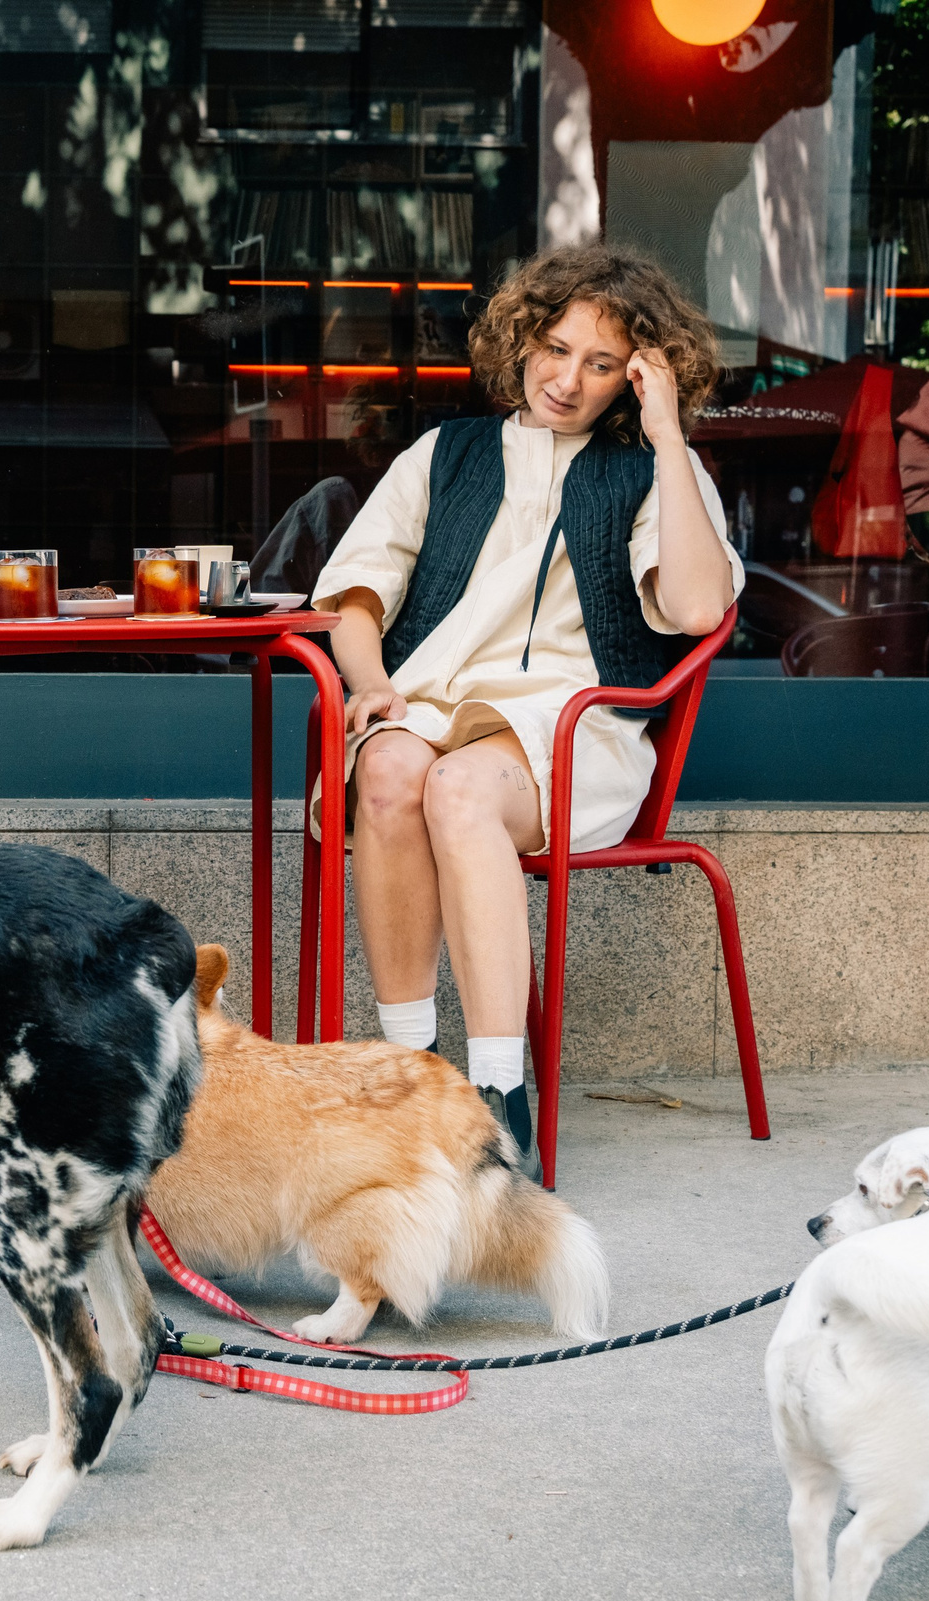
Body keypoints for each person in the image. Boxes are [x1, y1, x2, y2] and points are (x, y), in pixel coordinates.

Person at [307, 245, 743, 1171]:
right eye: (555, 349)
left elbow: (701, 606)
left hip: (575, 730)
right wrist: (371, 683)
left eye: (601, 364)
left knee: (460, 790)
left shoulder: (650, 470)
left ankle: (499, 1096)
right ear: (522, 340)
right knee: (387, 771)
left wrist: (668, 437)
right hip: (430, 707)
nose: (567, 380)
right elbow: (356, 597)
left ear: (636, 378)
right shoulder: (447, 454)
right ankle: (412, 1075)